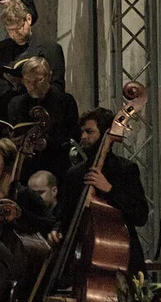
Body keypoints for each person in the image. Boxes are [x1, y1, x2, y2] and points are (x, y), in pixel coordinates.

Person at [53, 108, 150, 271]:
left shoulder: (125, 169)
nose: (83, 137)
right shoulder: (74, 174)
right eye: (82, 132)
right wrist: (56, 230)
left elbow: (140, 215)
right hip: (82, 259)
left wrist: (109, 189)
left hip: (122, 259)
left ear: (106, 134)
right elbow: (63, 213)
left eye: (89, 132)